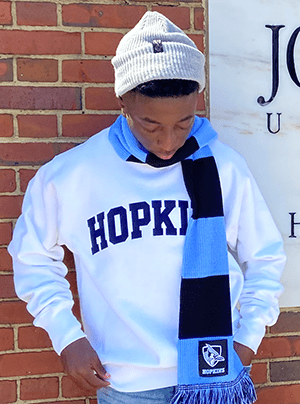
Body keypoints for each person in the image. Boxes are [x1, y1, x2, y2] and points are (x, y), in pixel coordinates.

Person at [8, 11, 285, 404]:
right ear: (122, 100)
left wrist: (246, 340)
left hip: (217, 375)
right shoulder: (72, 175)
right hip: (126, 385)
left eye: (184, 122)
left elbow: (266, 258)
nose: (168, 141)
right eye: (150, 124)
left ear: (198, 99)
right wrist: (66, 336)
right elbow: (32, 256)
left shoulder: (224, 167)